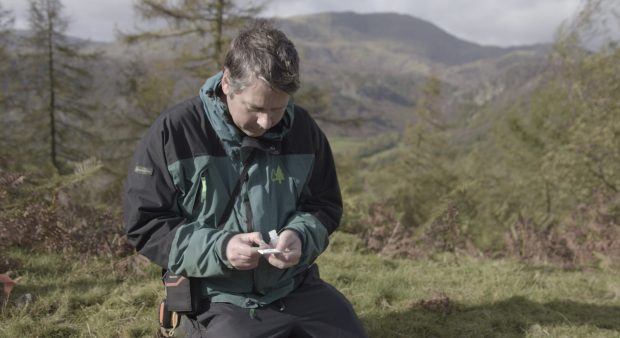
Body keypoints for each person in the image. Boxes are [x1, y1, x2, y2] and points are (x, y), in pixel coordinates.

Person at [123, 20, 367, 337]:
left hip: (293, 288)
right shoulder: (175, 133)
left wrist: (299, 236)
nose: (266, 121)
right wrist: (222, 248)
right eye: (255, 108)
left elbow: (324, 205)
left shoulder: (303, 129)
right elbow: (147, 225)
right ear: (227, 83)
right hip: (214, 295)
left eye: (278, 108)